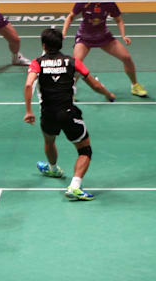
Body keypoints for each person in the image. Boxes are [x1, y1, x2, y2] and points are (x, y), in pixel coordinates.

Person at [23, 28, 116, 201]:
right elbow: (94, 84)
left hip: (47, 114)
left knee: (49, 141)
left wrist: (29, 111)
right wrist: (108, 94)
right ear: (60, 44)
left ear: (44, 45)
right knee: (85, 150)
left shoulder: (37, 63)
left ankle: (53, 168)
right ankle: (75, 186)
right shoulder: (73, 62)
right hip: (68, 114)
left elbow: (29, 85)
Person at [62, 0, 147, 98]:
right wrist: (64, 32)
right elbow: (70, 17)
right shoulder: (84, 1)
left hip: (103, 37)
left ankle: (135, 85)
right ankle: (70, 89)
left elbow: (119, 20)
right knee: (77, 64)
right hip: (84, 38)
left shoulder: (108, 3)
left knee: (127, 57)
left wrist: (123, 35)